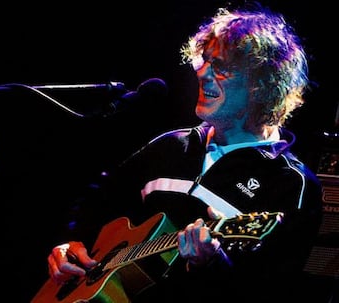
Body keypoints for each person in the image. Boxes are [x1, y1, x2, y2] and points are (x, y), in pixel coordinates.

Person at [41, 2, 326, 303]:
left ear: (264, 85)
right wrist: (70, 244)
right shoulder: (173, 145)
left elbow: (267, 292)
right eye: (204, 61)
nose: (203, 73)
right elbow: (97, 199)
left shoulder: (291, 184)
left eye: (222, 68)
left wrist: (211, 263)